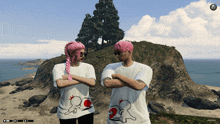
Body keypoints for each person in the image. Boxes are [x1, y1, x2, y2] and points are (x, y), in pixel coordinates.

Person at [101, 41, 153, 124]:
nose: (117, 55)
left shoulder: (145, 68)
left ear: (129, 51)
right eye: (116, 53)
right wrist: (133, 82)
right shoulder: (110, 66)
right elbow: (107, 83)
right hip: (116, 119)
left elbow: (139, 86)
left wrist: (118, 76)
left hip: (140, 120)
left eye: (119, 53)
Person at [52, 41, 96, 124]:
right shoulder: (58, 67)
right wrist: (84, 80)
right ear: (71, 54)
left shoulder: (89, 67)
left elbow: (92, 83)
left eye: (84, 54)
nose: (83, 56)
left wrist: (72, 76)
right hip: (66, 111)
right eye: (81, 54)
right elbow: (60, 84)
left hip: (86, 110)